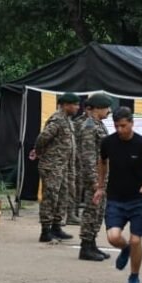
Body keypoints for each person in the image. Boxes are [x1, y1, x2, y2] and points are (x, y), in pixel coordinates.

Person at [94, 107, 142, 283]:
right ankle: (125, 249)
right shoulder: (108, 143)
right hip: (116, 198)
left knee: (136, 240)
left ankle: (134, 277)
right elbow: (102, 162)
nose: (120, 130)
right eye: (117, 126)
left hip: (139, 200)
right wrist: (100, 187)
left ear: (132, 123)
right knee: (113, 237)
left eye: (123, 126)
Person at [31, 93, 79, 242]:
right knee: (50, 198)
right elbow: (43, 137)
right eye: (75, 104)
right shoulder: (57, 120)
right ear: (65, 105)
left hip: (63, 167)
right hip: (52, 166)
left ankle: (56, 227)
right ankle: (45, 231)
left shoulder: (68, 121)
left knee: (62, 197)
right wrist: (38, 151)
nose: (77, 107)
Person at [76, 93, 114, 261]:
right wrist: (95, 182)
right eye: (106, 107)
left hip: (101, 177)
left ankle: (92, 244)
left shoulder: (98, 124)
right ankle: (85, 247)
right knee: (92, 210)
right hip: (95, 178)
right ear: (98, 108)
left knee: (98, 211)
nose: (109, 110)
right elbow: (89, 156)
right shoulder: (89, 126)